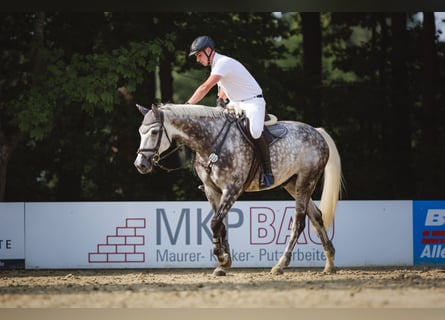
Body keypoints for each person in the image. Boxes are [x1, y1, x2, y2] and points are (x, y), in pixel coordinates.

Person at [186, 35, 274, 188]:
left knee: (254, 132)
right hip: (236, 102)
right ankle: (212, 173)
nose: (198, 59)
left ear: (208, 51)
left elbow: (205, 87)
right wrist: (220, 104)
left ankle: (268, 171)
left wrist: (187, 106)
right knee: (218, 128)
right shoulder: (217, 65)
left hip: (253, 102)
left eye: (198, 55)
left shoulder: (223, 63)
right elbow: (224, 88)